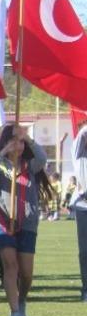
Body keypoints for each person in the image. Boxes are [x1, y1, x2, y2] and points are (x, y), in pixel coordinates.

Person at [0, 124, 52, 316]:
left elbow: (42, 158)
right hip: (4, 222)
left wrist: (28, 138)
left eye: (20, 141)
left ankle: (22, 301)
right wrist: (4, 150)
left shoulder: (30, 165)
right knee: (10, 266)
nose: (18, 145)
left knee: (27, 272)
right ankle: (14, 313)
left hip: (28, 222)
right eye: (15, 140)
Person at [71, 119, 87, 302]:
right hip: (83, 206)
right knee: (85, 251)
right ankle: (86, 288)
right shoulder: (78, 154)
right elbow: (82, 134)